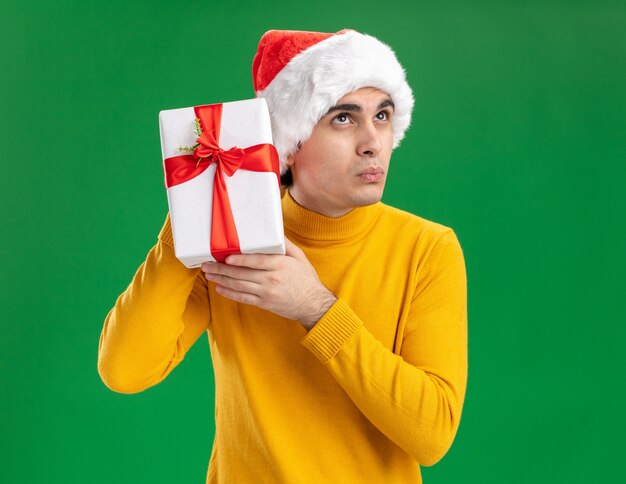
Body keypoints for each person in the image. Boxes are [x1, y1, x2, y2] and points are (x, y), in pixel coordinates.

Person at [98, 28, 468, 483]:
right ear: (289, 146)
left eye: (384, 115)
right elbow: (124, 370)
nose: (374, 141)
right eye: (343, 119)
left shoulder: (427, 249)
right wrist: (195, 209)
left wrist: (315, 307)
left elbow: (432, 436)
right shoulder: (232, 242)